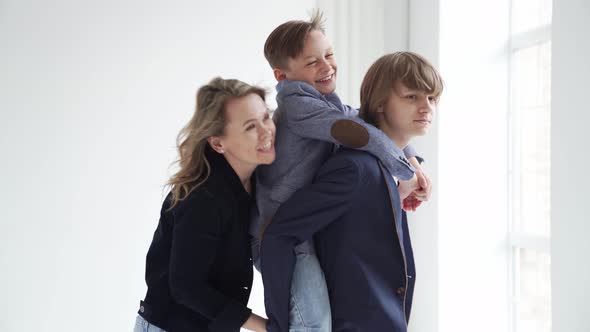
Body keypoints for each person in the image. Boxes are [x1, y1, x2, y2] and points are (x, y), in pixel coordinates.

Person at [252, 11, 431, 332]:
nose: (326, 66)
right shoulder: (297, 107)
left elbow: (366, 120)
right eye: (312, 63)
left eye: (330, 55)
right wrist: (403, 171)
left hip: (299, 230)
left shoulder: (325, 103)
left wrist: (413, 160)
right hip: (278, 232)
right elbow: (357, 130)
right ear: (282, 76)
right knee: (313, 323)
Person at [134, 77, 274, 332]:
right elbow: (187, 287)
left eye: (266, 118)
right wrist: (265, 327)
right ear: (218, 143)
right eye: (251, 127)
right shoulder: (202, 198)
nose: (267, 131)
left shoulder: (256, 180)